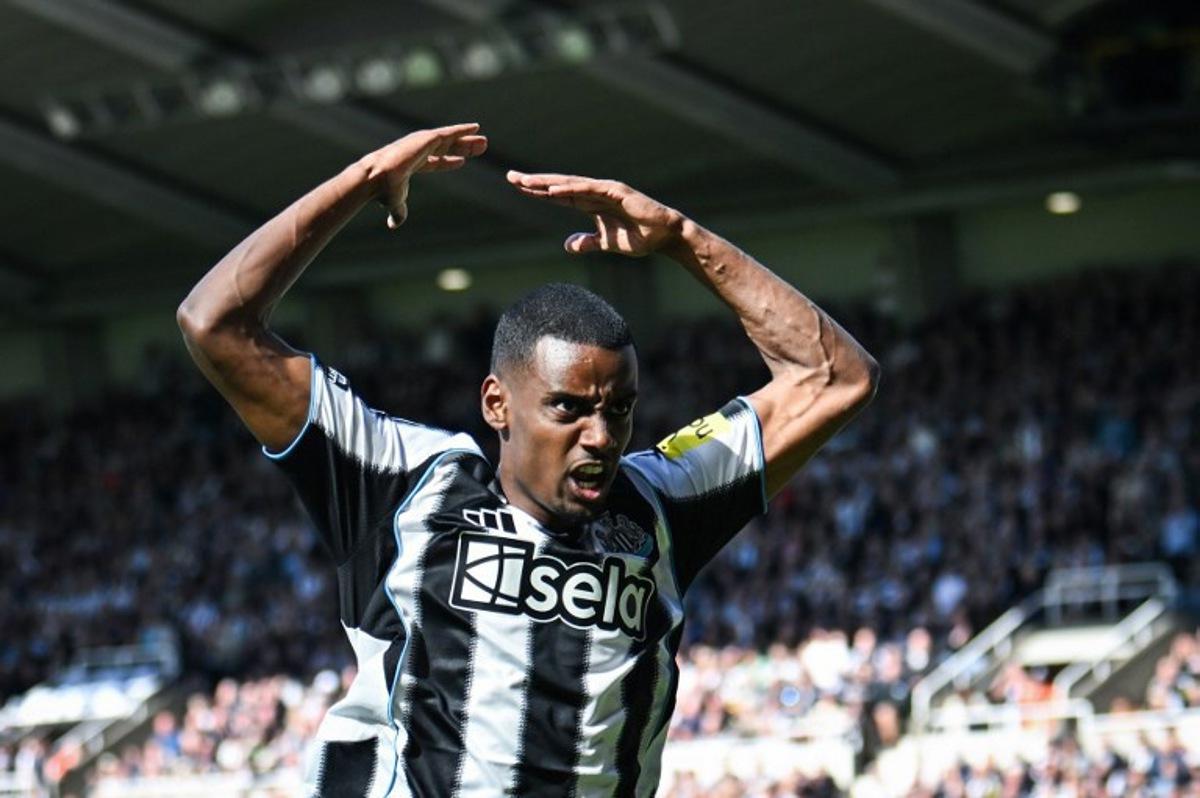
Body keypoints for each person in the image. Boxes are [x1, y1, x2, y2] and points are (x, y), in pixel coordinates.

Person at [177, 122, 878, 797]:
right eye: (568, 409)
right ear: (497, 404)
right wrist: (361, 182)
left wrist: (683, 239)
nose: (601, 436)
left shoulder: (664, 501)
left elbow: (835, 377)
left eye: (619, 409)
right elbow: (215, 325)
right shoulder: (404, 481)